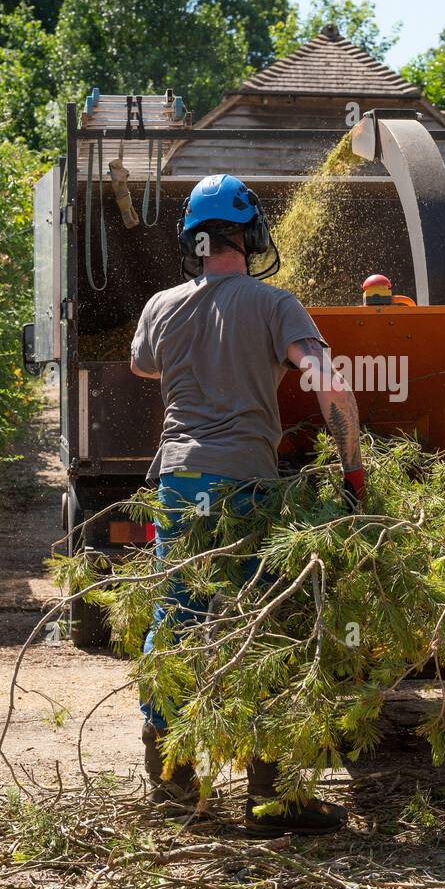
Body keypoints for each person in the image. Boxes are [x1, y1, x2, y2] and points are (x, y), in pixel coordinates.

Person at [130, 174, 363, 836]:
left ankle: (175, 788)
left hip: (180, 484)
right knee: (263, 626)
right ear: (251, 237)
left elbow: (146, 366)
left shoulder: (160, 307)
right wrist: (352, 469)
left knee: (175, 625)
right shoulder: (274, 304)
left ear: (193, 244)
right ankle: (270, 796)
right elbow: (331, 386)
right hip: (247, 487)